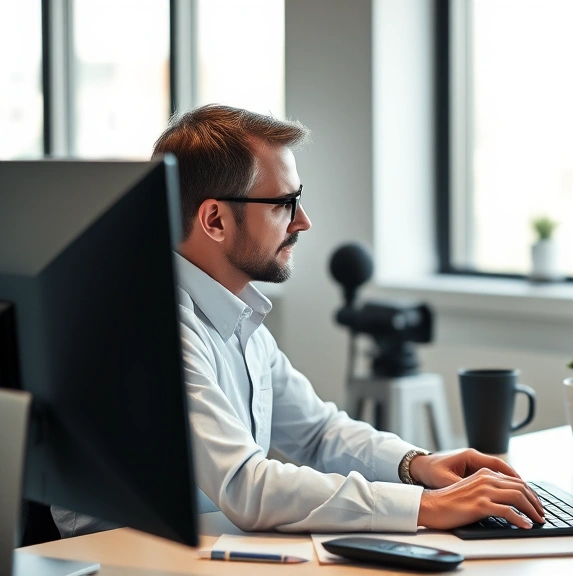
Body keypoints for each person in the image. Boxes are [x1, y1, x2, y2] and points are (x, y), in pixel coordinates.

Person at [54, 104, 544, 536]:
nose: (303, 220)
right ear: (215, 220)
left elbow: (317, 432)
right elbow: (246, 485)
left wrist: (417, 465)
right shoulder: (154, 325)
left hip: (204, 547)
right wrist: (426, 507)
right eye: (284, 203)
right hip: (126, 561)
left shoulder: (238, 315)